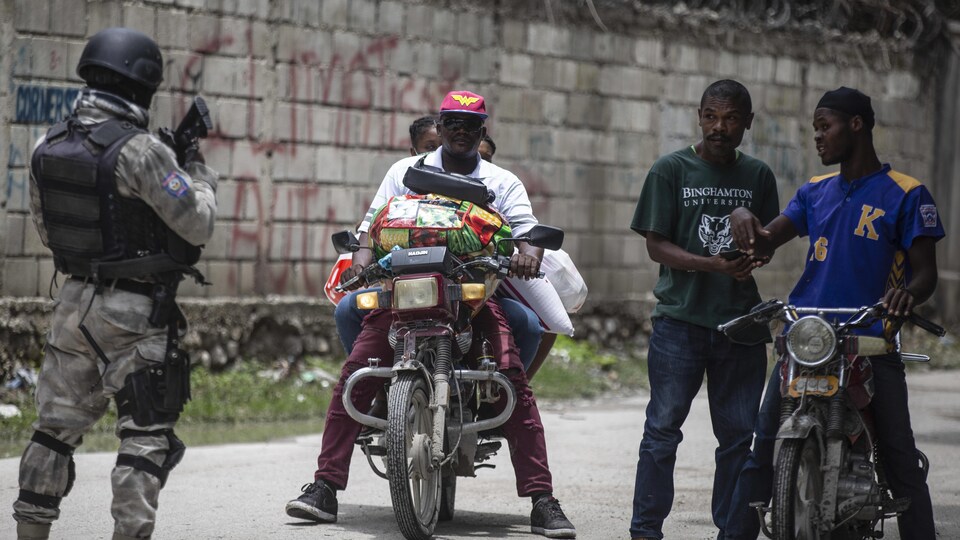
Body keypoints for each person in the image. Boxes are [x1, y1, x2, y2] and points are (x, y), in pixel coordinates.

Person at [286, 90, 576, 538]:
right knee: (355, 375)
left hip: (473, 296)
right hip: (403, 293)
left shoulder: (502, 182)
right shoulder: (404, 172)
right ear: (438, 128)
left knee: (510, 379)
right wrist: (363, 260)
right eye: (452, 123)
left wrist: (528, 254)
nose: (460, 131)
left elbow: (525, 232)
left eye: (470, 124)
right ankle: (323, 488)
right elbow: (369, 228)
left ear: (483, 133)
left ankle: (543, 500)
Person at [13, 28, 218, 540]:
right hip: (134, 311)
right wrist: (198, 173)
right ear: (142, 86)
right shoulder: (140, 151)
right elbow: (196, 223)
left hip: (71, 303)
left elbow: (46, 229)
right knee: (144, 435)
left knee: (54, 431)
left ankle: (29, 532)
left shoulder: (47, 144)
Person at [724, 86, 944, 540]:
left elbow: (925, 275)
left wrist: (907, 295)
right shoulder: (814, 192)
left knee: (898, 455)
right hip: (806, 336)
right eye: (815, 130)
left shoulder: (906, 193)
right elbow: (766, 241)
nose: (818, 138)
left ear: (856, 125)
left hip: (869, 339)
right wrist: (743, 215)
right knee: (761, 449)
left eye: (825, 127)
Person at [628, 79, 780, 540]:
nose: (720, 127)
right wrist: (713, 264)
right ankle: (645, 530)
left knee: (737, 439)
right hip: (680, 322)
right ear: (699, 115)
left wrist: (751, 256)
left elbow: (769, 245)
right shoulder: (670, 170)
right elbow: (656, 246)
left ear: (747, 123)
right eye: (712, 116)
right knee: (662, 432)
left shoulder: (758, 176)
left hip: (741, 327)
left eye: (732, 118)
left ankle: (732, 533)